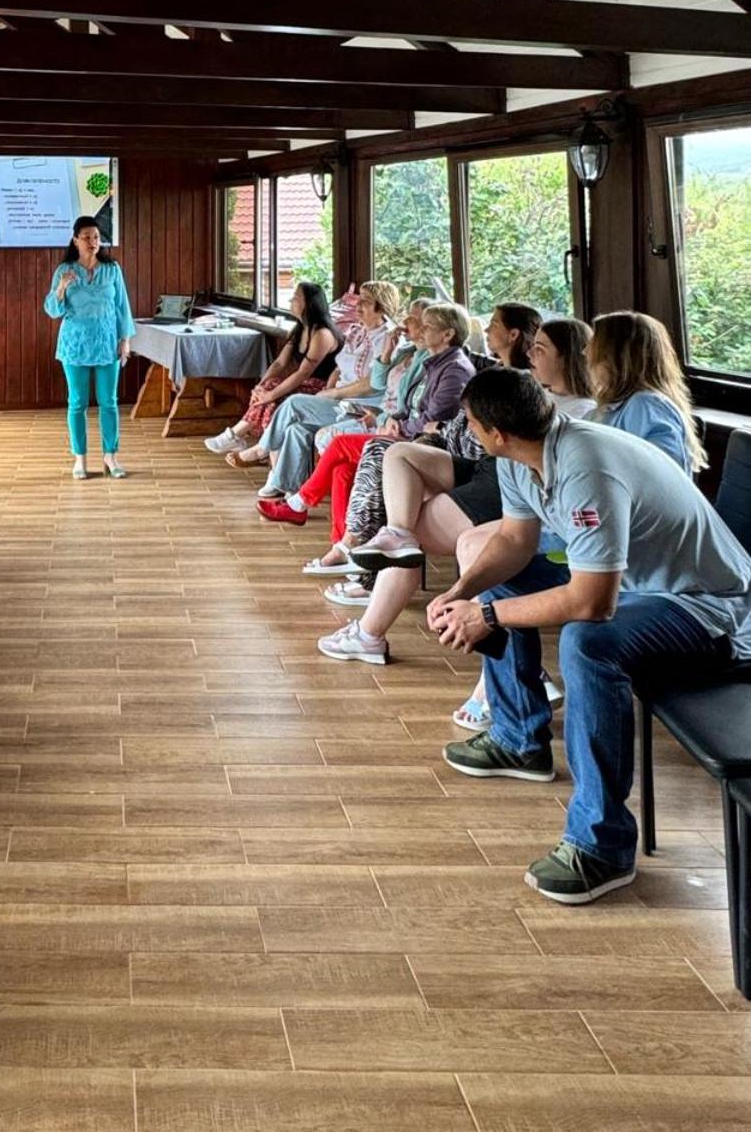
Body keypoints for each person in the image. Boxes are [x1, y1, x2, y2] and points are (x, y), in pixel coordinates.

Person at [429, 368, 751, 905]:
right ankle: (518, 739)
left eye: (471, 423)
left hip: (709, 607)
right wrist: (462, 591)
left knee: (586, 642)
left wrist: (487, 617)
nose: (468, 430)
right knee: (505, 581)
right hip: (638, 588)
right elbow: (514, 541)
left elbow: (592, 603)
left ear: (496, 432)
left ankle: (602, 845)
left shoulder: (585, 469)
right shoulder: (520, 457)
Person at [315, 305, 557, 667]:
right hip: (482, 464)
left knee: (407, 530)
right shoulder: (501, 373)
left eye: (543, 349)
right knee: (396, 456)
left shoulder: (537, 395)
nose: (534, 354)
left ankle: (369, 627)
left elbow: (487, 437)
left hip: (500, 477)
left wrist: (438, 429)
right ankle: (387, 540)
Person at [261, 300, 473, 531]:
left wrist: (392, 423)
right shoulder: (431, 360)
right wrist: (388, 418)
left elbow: (433, 419)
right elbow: (403, 403)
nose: (420, 328)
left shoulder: (453, 370)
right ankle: (343, 541)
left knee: (338, 444)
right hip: (399, 428)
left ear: (447, 334)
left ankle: (299, 502)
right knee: (342, 469)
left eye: (427, 325)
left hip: (422, 443)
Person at [243, 284, 401, 501]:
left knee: (294, 402)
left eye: (365, 301)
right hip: (339, 400)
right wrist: (328, 389)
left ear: (381, 307)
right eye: (359, 299)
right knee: (297, 429)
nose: (358, 304)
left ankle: (262, 449)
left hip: (361, 407)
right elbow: (338, 368)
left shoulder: (388, 339)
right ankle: (287, 488)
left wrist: (334, 394)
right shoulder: (356, 331)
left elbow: (372, 384)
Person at [204, 280, 377, 456]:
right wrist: (259, 387)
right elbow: (279, 363)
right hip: (304, 383)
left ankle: (246, 440)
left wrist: (270, 395)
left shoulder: (322, 334)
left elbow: (303, 373)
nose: (291, 301)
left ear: (309, 303)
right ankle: (244, 440)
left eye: (296, 297)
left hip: (321, 387)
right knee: (269, 385)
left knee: (273, 396)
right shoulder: (300, 329)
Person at [43, 215, 136, 480]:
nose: (92, 242)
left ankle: (110, 456)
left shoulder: (112, 269)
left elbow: (122, 306)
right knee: (77, 403)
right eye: (86, 237)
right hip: (75, 344)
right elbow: (52, 310)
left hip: (108, 343)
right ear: (75, 240)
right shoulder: (64, 270)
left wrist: (125, 340)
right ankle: (80, 459)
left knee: (109, 402)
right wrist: (61, 288)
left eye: (96, 237)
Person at [587, 310, 705, 475]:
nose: (585, 352)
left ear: (615, 356)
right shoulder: (615, 406)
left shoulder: (646, 405)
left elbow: (662, 474)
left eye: (593, 346)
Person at [527, 317, 596, 418]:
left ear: (567, 358)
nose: (529, 353)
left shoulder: (584, 412)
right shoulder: (535, 397)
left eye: (539, 349)